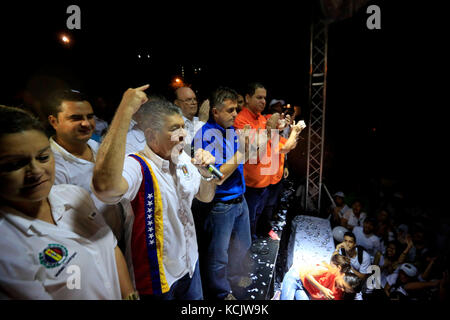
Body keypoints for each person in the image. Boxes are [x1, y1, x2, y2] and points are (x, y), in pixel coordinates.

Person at [92, 85, 220, 300]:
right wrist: (124, 112)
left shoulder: (185, 160)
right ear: (151, 136)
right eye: (173, 129)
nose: (182, 135)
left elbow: (206, 197)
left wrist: (206, 174)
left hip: (190, 264)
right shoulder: (137, 165)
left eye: (183, 127)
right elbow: (105, 189)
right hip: (156, 276)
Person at [0, 105, 135, 300]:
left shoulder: (74, 195)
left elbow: (110, 246)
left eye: (43, 157)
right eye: (14, 164)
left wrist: (131, 295)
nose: (36, 171)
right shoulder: (7, 247)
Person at [193, 87, 251, 300]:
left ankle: (235, 279)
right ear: (215, 112)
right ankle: (220, 293)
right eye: (230, 110)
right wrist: (243, 152)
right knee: (218, 256)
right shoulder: (204, 137)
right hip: (221, 205)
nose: (235, 114)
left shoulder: (231, 130)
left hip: (240, 200)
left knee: (243, 245)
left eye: (236, 109)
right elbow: (218, 176)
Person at [46, 89, 125, 241]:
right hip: (89, 246)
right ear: (54, 121)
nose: (86, 123)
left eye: (90, 116)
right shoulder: (51, 166)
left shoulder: (96, 146)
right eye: (75, 118)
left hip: (119, 238)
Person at [233, 82, 295, 241]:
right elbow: (252, 150)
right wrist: (269, 132)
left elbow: (278, 144)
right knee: (249, 218)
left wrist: (290, 132)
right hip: (250, 183)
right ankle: (247, 248)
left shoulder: (261, 119)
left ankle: (254, 240)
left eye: (264, 98)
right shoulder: (241, 120)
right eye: (258, 97)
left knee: (261, 213)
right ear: (247, 98)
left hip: (265, 179)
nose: (263, 101)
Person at [280, 254, 362, 300]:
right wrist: (323, 289)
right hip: (296, 277)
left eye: (345, 290)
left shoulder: (339, 293)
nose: (342, 289)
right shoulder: (331, 270)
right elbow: (308, 275)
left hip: (305, 289)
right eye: (343, 286)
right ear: (343, 276)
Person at [333, 231, 371, 299]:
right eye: (345, 241)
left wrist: (349, 267)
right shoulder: (342, 250)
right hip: (347, 281)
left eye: (350, 242)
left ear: (355, 244)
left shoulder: (364, 256)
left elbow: (363, 277)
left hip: (361, 286)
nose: (347, 244)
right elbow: (333, 260)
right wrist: (337, 248)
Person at [173, 86, 209, 153]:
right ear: (177, 103)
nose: (194, 102)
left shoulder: (199, 120)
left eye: (195, 99)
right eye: (188, 100)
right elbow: (191, 152)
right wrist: (202, 123)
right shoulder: (174, 123)